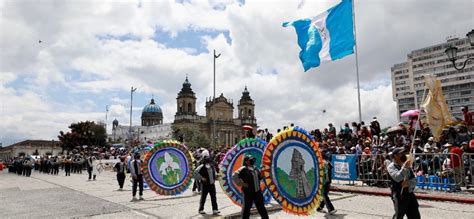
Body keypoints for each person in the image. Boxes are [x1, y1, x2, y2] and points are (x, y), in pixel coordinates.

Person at [387, 148, 420, 219]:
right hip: (399, 195)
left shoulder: (407, 165)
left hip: (409, 193)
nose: (403, 155)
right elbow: (398, 178)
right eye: (400, 154)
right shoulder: (391, 167)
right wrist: (404, 167)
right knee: (399, 215)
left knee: (415, 215)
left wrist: (408, 183)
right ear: (395, 156)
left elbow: (415, 180)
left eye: (403, 153)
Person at [232, 155, 268, 219]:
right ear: (246, 162)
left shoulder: (256, 168)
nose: (252, 161)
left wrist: (263, 171)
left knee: (261, 208)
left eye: (253, 159)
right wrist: (241, 183)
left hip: (257, 191)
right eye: (250, 160)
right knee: (246, 209)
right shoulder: (243, 169)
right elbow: (234, 176)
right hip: (248, 192)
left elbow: (260, 177)